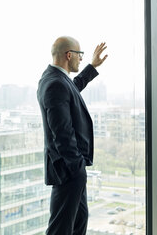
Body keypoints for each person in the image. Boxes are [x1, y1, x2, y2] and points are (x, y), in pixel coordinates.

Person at [37, 36, 108, 235]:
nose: (81, 59)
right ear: (69, 55)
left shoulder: (55, 80)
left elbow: (73, 88)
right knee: (61, 227)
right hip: (68, 170)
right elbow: (62, 133)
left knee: (78, 221)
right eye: (80, 55)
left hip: (71, 168)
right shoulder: (55, 84)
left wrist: (92, 67)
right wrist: (76, 166)